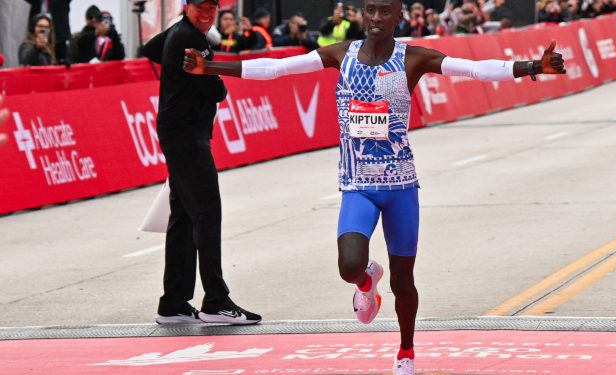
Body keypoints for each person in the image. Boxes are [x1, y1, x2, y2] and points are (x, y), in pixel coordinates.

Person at [183, 0, 565, 372]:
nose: (377, 18)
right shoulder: (341, 53)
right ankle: (367, 280)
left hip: (401, 187)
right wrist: (210, 67)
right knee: (349, 265)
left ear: (399, 15)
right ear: (362, 14)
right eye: (370, 10)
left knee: (404, 282)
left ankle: (406, 353)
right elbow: (278, 68)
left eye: (386, 11)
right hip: (358, 184)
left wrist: (534, 66)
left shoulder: (413, 58)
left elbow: (478, 69)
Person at [140, 0, 262, 326]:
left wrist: (174, 62)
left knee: (183, 216)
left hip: (177, 132)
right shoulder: (191, 40)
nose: (207, 15)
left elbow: (149, 46)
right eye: (201, 9)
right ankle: (216, 302)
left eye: (212, 9)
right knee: (207, 213)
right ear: (187, 6)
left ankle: (173, 304)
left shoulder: (181, 34)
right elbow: (216, 89)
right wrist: (196, 66)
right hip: (187, 137)